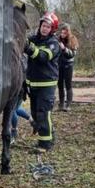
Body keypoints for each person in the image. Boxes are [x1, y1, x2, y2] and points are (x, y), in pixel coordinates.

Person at [24, 11, 60, 151]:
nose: (44, 28)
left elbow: (43, 56)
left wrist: (28, 47)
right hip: (33, 84)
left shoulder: (53, 43)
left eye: (48, 27)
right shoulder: (33, 39)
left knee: (43, 113)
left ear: (52, 29)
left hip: (47, 85)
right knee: (35, 114)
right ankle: (48, 135)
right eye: (43, 25)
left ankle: (46, 144)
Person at [57, 23, 79, 111]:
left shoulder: (73, 39)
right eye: (61, 33)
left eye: (64, 33)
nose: (62, 35)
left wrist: (64, 49)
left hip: (68, 65)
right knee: (60, 85)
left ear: (68, 32)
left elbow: (72, 54)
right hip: (59, 65)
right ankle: (61, 104)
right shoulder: (58, 39)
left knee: (68, 84)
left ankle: (68, 104)